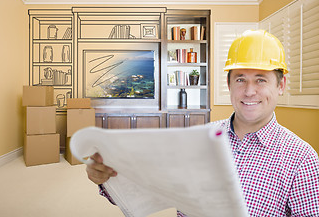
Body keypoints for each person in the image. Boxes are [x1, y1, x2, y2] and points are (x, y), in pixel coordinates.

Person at [85, 30, 319, 216]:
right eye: (240, 79)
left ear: (281, 85)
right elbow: (148, 189)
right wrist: (107, 178)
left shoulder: (302, 159)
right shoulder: (199, 138)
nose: (249, 91)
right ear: (229, 84)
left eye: (261, 80)